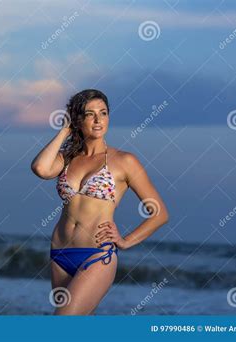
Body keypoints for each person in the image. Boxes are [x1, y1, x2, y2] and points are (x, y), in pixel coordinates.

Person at [31, 89, 169, 315]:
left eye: (103, 113)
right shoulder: (67, 158)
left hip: (97, 255)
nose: (98, 120)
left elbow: (160, 213)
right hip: (60, 253)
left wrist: (125, 241)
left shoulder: (124, 161)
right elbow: (40, 168)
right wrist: (65, 130)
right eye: (89, 114)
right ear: (78, 119)